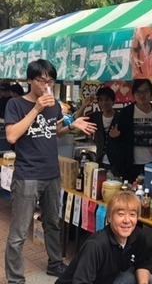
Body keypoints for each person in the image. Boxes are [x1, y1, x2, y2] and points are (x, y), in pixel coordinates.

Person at [4, 59, 97, 284]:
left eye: (50, 80)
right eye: (40, 80)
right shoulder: (15, 105)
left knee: (53, 222)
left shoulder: (54, 105)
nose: (46, 84)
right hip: (27, 175)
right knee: (18, 232)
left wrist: (71, 126)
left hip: (52, 173)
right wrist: (37, 108)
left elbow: (53, 130)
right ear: (29, 80)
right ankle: (15, 279)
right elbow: (12, 136)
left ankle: (55, 263)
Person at [55, 190, 152, 284]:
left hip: (106, 279)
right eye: (121, 214)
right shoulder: (96, 245)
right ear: (109, 217)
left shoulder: (138, 236)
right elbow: (81, 282)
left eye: (132, 214)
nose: (127, 220)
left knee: (144, 278)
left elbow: (143, 262)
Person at [111, 79, 152, 183]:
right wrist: (114, 137)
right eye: (138, 92)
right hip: (130, 164)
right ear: (134, 94)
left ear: (151, 93)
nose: (142, 95)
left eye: (146, 91)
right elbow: (115, 138)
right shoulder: (126, 113)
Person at [77, 86, 120, 174]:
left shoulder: (120, 117)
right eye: (101, 100)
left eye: (107, 99)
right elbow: (77, 119)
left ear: (113, 101)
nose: (104, 102)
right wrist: (84, 105)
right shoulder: (96, 116)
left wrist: (118, 136)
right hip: (100, 161)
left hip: (117, 163)